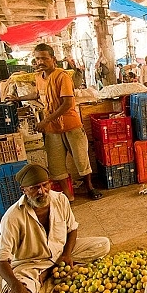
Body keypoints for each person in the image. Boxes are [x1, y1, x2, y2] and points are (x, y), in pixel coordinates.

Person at [0, 163, 110, 293]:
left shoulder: (60, 200)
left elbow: (72, 229)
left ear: (49, 184)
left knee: (103, 244)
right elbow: (0, 260)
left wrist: (67, 254)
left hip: (59, 253)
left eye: (45, 185)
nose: (42, 191)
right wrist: (16, 286)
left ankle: (48, 272)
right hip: (30, 263)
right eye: (35, 188)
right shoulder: (13, 217)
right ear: (24, 190)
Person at [33, 43, 102, 201]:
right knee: (56, 164)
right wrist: (18, 98)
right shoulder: (39, 77)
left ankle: (90, 188)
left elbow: (67, 104)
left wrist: (45, 120)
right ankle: (68, 195)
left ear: (53, 59)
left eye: (44, 58)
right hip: (52, 129)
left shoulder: (62, 76)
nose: (40, 62)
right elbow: (37, 95)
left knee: (81, 158)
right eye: (38, 59)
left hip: (71, 125)